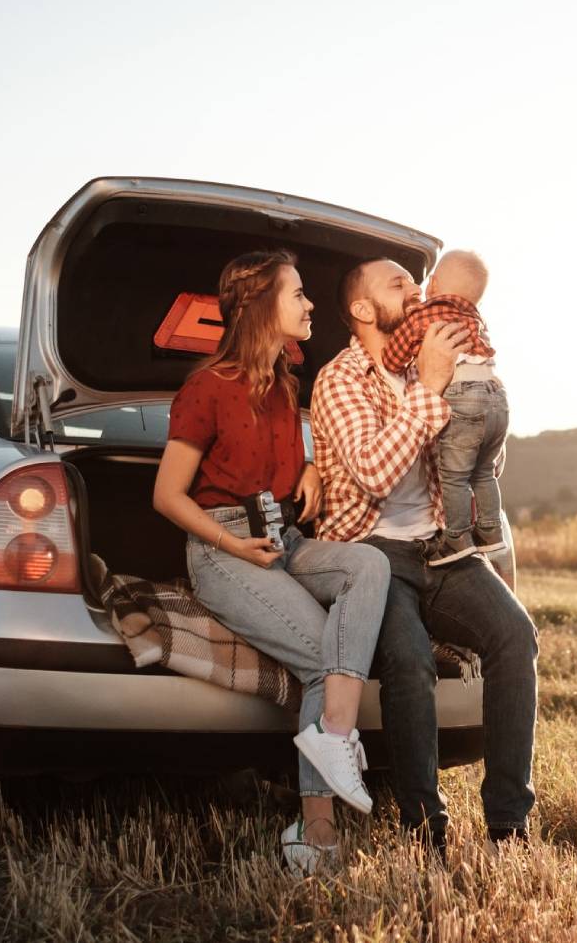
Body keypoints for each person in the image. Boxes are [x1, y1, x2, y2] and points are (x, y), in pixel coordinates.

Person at [152, 249, 390, 875]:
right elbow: (166, 495)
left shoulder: (286, 385)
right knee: (320, 658)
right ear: (261, 306)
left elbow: (291, 455)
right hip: (222, 547)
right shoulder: (206, 389)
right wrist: (230, 546)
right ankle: (317, 835)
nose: (311, 305)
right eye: (299, 294)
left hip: (282, 538)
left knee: (370, 567)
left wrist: (309, 464)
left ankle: (332, 738)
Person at [310, 256, 538, 856]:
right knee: (409, 662)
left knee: (516, 635)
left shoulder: (427, 361)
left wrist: (476, 399)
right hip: (370, 554)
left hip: (441, 547)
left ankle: (509, 826)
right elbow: (372, 474)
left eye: (418, 281)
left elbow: (473, 453)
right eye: (399, 284)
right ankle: (423, 830)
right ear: (362, 310)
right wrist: (433, 388)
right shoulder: (340, 380)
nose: (417, 290)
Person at [379, 250, 508, 567]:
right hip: (497, 397)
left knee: (454, 477)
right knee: (484, 473)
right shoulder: (475, 318)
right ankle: (491, 533)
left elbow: (393, 359)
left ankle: (456, 538)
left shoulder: (426, 314)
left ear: (433, 284)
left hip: (464, 394)